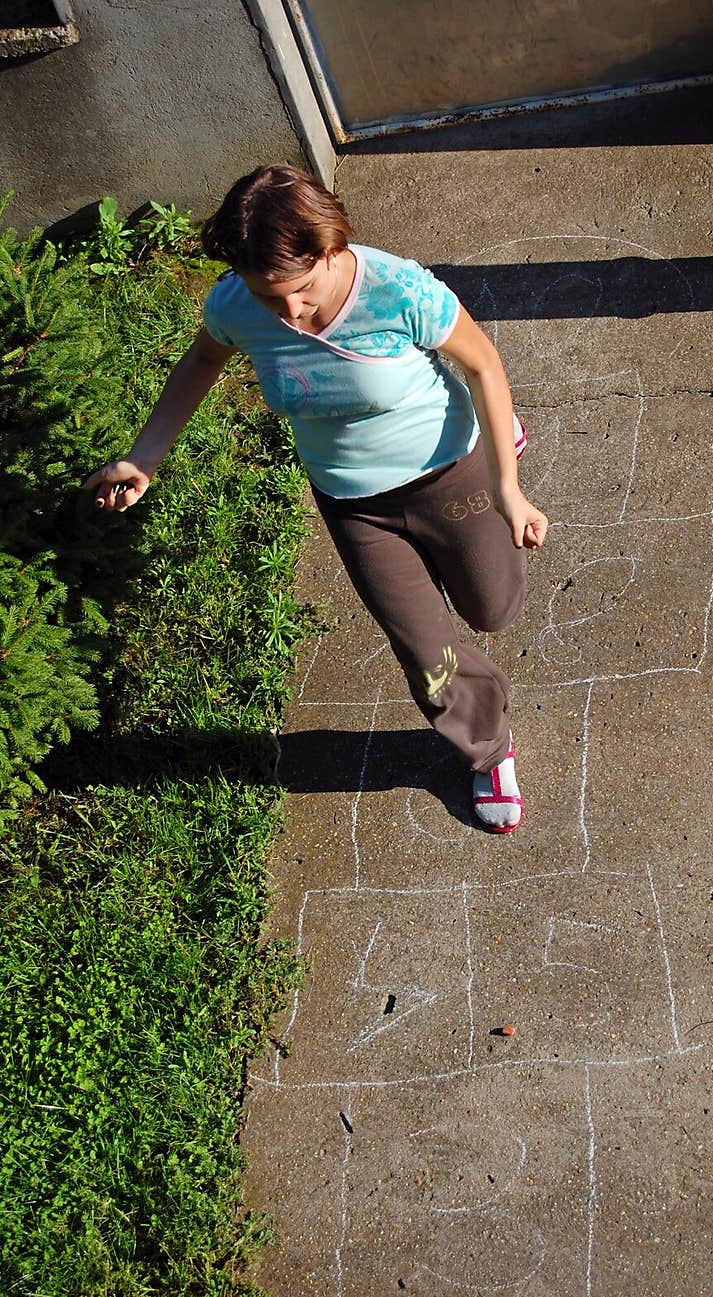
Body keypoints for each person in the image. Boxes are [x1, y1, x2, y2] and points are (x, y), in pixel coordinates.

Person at [83, 165, 548, 832]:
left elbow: (484, 364)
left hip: (448, 470)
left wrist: (508, 489)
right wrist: (144, 454)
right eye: (270, 299)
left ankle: (504, 438)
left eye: (300, 292)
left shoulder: (399, 291)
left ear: (330, 249)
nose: (289, 314)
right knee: (427, 656)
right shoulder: (236, 304)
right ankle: (487, 748)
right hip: (355, 501)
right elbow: (201, 363)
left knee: (494, 609)